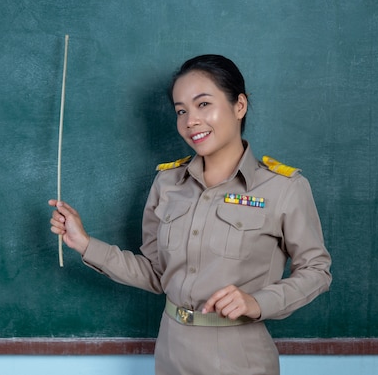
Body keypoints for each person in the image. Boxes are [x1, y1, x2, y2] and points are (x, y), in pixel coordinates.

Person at [48, 54, 332, 375]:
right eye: (181, 110)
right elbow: (156, 273)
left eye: (203, 104)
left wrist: (258, 302)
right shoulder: (168, 183)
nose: (190, 121)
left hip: (240, 359)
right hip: (170, 354)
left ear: (239, 106)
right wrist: (84, 243)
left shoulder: (283, 187)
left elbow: (317, 271)